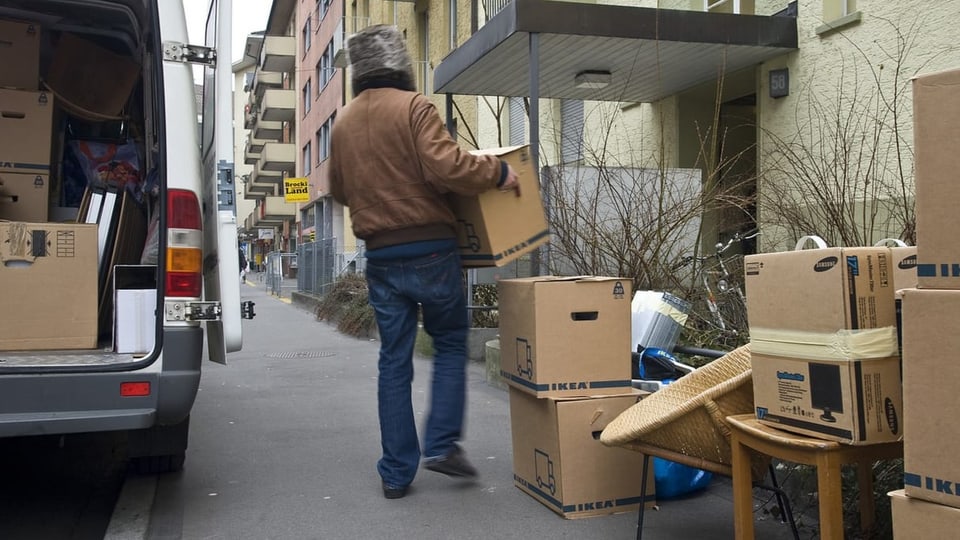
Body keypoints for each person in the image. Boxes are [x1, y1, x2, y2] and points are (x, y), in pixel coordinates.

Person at [329, 24, 520, 500]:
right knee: (451, 343)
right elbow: (447, 166)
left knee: (393, 361)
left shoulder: (344, 122)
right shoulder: (415, 107)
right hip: (431, 249)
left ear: (359, 74)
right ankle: (442, 446)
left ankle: (396, 472)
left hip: (379, 254)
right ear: (401, 66)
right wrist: (498, 170)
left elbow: (336, 189)